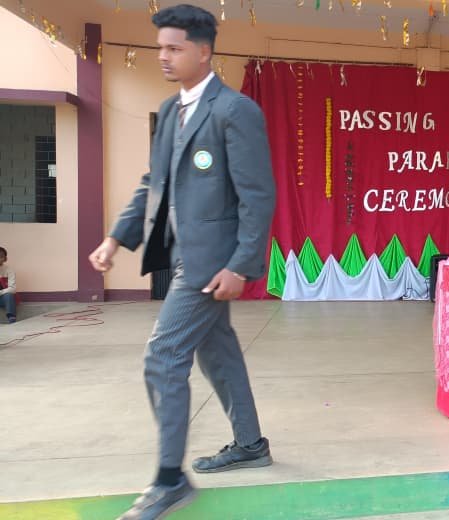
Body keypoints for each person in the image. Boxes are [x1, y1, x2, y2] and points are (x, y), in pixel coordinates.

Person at [86, 5, 276, 519]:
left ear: (204, 50)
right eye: (161, 48)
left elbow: (258, 195)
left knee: (163, 355)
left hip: (210, 263)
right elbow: (154, 183)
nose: (164, 57)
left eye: (174, 48)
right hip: (181, 252)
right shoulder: (171, 111)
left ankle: (169, 480)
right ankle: (250, 444)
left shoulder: (235, 111)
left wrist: (242, 264)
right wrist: (116, 238)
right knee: (218, 354)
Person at [0, 247, 17, 323]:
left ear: (5, 258)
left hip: (2, 298)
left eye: (1, 256)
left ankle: (11, 318)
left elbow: (13, 289)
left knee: (9, 295)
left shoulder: (9, 270)